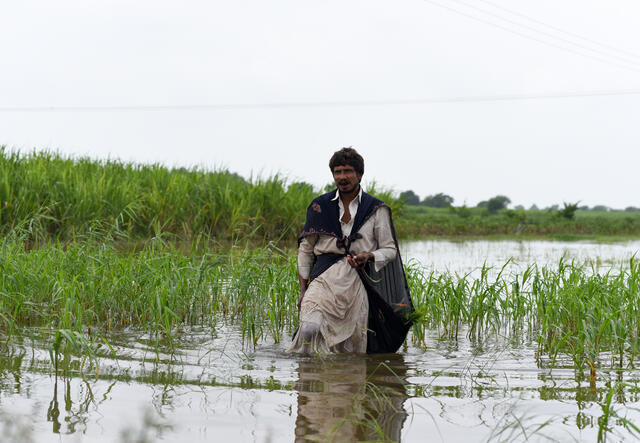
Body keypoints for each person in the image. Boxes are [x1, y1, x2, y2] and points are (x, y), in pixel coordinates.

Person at [289, 147, 413, 354]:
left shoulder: (376, 209)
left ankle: (341, 383)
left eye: (347, 171)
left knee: (351, 343)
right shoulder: (319, 206)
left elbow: (390, 249)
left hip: (356, 281)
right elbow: (305, 250)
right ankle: (307, 381)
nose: (342, 177)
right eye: (337, 172)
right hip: (323, 278)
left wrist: (370, 255)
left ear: (359, 174)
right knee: (309, 327)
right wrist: (303, 291)